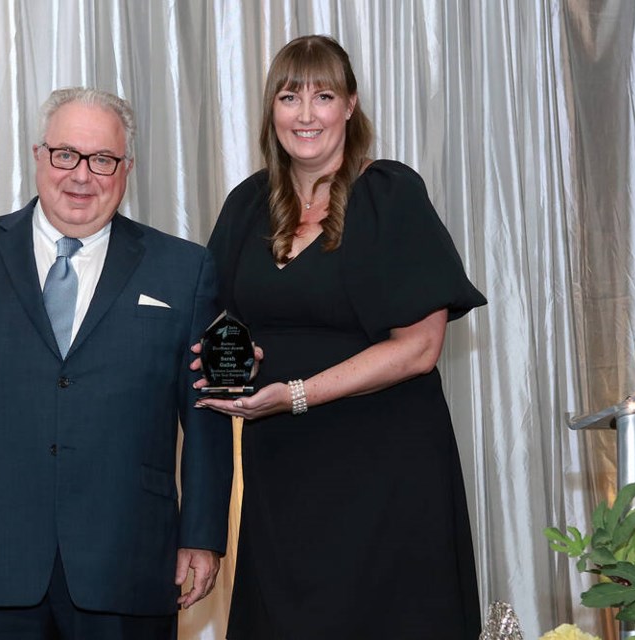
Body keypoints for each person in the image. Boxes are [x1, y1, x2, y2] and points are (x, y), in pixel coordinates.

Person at [0, 87, 232, 640]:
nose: (82, 176)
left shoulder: (183, 269)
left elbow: (206, 418)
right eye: (66, 155)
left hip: (131, 554)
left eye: (103, 160)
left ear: (127, 169)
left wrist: (202, 534)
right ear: (38, 155)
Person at [195, 35, 486, 639]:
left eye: (323, 95)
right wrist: (228, 359)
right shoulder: (247, 205)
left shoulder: (389, 194)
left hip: (386, 468)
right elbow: (218, 323)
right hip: (284, 472)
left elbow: (419, 347)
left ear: (350, 106)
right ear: (270, 109)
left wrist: (296, 393)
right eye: (289, 96)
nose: (305, 115)